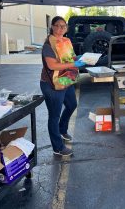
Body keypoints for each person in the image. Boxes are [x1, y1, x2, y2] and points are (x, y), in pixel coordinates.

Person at [40, 16, 85, 157]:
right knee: (54, 115)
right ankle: (58, 147)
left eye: (63, 26)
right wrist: (73, 64)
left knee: (72, 105)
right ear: (52, 27)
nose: (60, 29)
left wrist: (81, 58)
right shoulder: (49, 44)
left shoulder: (66, 41)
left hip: (66, 79)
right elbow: (52, 65)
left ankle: (62, 128)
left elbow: (70, 58)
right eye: (58, 26)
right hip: (51, 84)